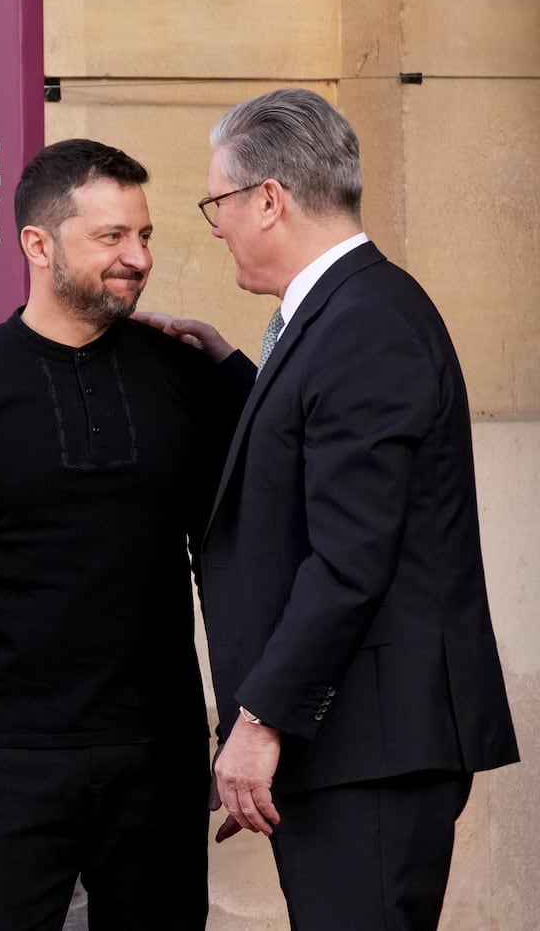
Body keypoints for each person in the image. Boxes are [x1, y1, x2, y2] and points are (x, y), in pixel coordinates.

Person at [0, 138, 255, 930]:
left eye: (143, 234)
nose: (136, 256)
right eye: (111, 236)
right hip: (3, 762)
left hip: (158, 754)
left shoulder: (184, 378)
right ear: (38, 245)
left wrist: (242, 718)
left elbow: (230, 559)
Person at [195, 88, 519, 930]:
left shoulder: (364, 322)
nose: (216, 224)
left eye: (218, 203)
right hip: (360, 742)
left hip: (369, 748)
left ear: (270, 198)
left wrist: (259, 720)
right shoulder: (344, 314)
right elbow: (321, 451)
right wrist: (240, 374)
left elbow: (350, 554)